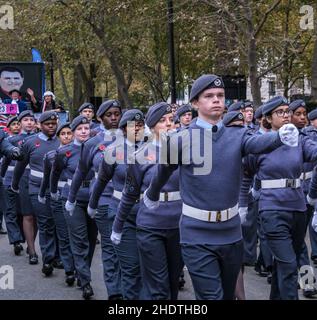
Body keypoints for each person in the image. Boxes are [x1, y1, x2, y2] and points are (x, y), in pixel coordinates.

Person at [143, 74, 299, 300]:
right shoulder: (179, 139)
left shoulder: (238, 135)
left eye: (220, 95)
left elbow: (257, 143)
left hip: (231, 233)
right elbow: (162, 172)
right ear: (195, 103)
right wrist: (152, 193)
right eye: (209, 96)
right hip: (196, 234)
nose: (216, 100)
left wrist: (280, 137)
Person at [240, 96, 317, 300]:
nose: (288, 116)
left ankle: (307, 284)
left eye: (287, 111)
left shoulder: (301, 138)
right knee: (289, 264)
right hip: (272, 209)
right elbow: (247, 173)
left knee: (295, 255)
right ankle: (304, 286)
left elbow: (314, 154)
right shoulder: (259, 142)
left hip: (299, 206)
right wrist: (243, 204)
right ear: (267, 118)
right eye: (281, 112)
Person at [111, 102, 184, 300]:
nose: (169, 124)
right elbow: (129, 195)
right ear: (151, 127)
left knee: (173, 283)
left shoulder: (187, 152)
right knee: (158, 287)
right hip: (150, 225)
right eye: (162, 121)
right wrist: (117, 227)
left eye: (171, 120)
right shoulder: (140, 156)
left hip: (179, 224)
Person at [65, 100, 123, 300]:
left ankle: (128, 288)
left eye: (117, 113)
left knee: (126, 248)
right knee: (109, 246)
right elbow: (81, 172)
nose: (114, 118)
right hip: (104, 200)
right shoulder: (92, 143)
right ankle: (114, 292)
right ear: (100, 118)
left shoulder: (134, 139)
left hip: (130, 202)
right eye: (109, 115)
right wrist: (71, 198)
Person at [88, 109, 145, 300]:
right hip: (119, 210)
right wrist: (93, 205)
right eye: (132, 126)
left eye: (140, 125)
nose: (137, 129)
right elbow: (101, 182)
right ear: (123, 129)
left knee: (145, 266)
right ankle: (116, 293)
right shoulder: (112, 152)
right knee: (128, 265)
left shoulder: (153, 150)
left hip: (146, 214)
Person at [50, 115, 97, 299]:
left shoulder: (97, 148)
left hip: (94, 197)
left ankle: (81, 270)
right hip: (72, 198)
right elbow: (55, 173)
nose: (84, 132)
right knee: (79, 239)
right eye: (80, 129)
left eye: (86, 128)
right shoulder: (65, 152)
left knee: (92, 239)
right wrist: (53, 191)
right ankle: (86, 282)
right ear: (74, 132)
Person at [11, 111, 60, 276]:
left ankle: (57, 256)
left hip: (57, 189)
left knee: (56, 223)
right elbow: (20, 166)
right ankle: (46, 259)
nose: (52, 127)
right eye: (48, 124)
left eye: (54, 124)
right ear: (40, 125)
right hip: (35, 188)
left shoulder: (63, 141)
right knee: (44, 223)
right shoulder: (30, 143)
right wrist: (15, 184)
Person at [38, 122, 75, 286]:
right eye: (63, 134)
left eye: (69, 133)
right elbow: (46, 177)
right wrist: (41, 194)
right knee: (63, 234)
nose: (67, 136)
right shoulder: (51, 155)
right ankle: (69, 271)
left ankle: (79, 268)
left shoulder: (82, 152)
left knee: (76, 236)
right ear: (59, 137)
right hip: (58, 197)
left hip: (77, 198)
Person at [1, 111, 38, 263]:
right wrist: (3, 177)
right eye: (25, 120)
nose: (29, 122)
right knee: (12, 212)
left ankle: (28, 243)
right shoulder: (12, 140)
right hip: (11, 180)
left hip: (33, 182)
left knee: (29, 214)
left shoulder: (39, 139)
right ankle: (17, 241)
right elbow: (5, 159)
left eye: (31, 120)